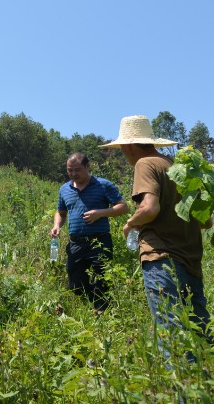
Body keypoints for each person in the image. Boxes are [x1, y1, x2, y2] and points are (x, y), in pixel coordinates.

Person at [102, 115, 213, 360]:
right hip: (191, 262)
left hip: (161, 259)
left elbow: (150, 208)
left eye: (122, 149)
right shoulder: (179, 169)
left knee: (171, 338)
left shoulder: (146, 164)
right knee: (200, 336)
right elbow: (206, 221)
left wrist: (131, 222)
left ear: (128, 146)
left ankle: (182, 395)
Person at [50, 153, 128, 312]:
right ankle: (95, 303)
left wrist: (100, 213)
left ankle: (102, 313)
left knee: (103, 279)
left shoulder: (103, 185)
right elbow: (61, 212)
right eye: (69, 170)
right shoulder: (64, 189)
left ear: (87, 166)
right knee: (75, 284)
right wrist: (57, 225)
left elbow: (123, 207)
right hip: (76, 243)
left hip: (99, 241)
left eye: (77, 170)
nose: (73, 174)